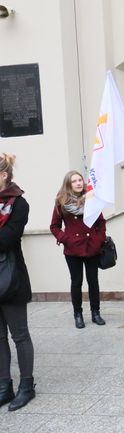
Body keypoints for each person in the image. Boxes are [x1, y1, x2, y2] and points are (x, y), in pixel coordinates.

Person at [0, 153, 36, 411]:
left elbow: (7, 240)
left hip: (11, 278)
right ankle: (5, 386)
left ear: (3, 175)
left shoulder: (19, 204)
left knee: (19, 334)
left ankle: (26, 385)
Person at [50, 171, 107, 328]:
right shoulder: (61, 201)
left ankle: (96, 312)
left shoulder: (91, 199)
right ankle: (78, 314)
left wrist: (99, 239)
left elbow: (101, 222)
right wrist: (64, 239)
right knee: (76, 282)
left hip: (91, 246)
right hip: (72, 248)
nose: (78, 183)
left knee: (93, 281)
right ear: (68, 184)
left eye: (80, 180)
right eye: (74, 181)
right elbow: (54, 226)